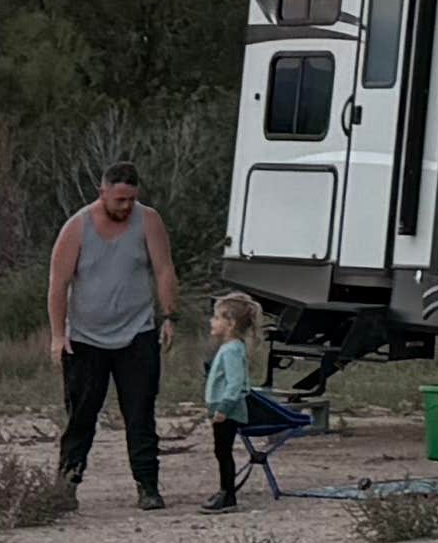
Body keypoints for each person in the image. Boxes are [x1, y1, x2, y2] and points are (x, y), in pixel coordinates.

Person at [40, 161, 178, 507]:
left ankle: (147, 486)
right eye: (119, 200)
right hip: (86, 339)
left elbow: (163, 270)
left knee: (140, 412)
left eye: (131, 199)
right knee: (81, 415)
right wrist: (58, 336)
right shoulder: (76, 227)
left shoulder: (149, 221)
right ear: (102, 193)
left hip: (137, 333)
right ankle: (67, 485)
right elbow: (58, 285)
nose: (126, 206)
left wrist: (169, 315)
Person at [199, 289, 324, 509]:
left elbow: (235, 384)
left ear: (231, 323)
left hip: (228, 409)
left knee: (223, 451)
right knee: (221, 450)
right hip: (222, 407)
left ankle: (227, 494)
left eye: (218, 317)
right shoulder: (231, 348)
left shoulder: (231, 351)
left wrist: (224, 408)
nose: (213, 321)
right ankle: (225, 491)